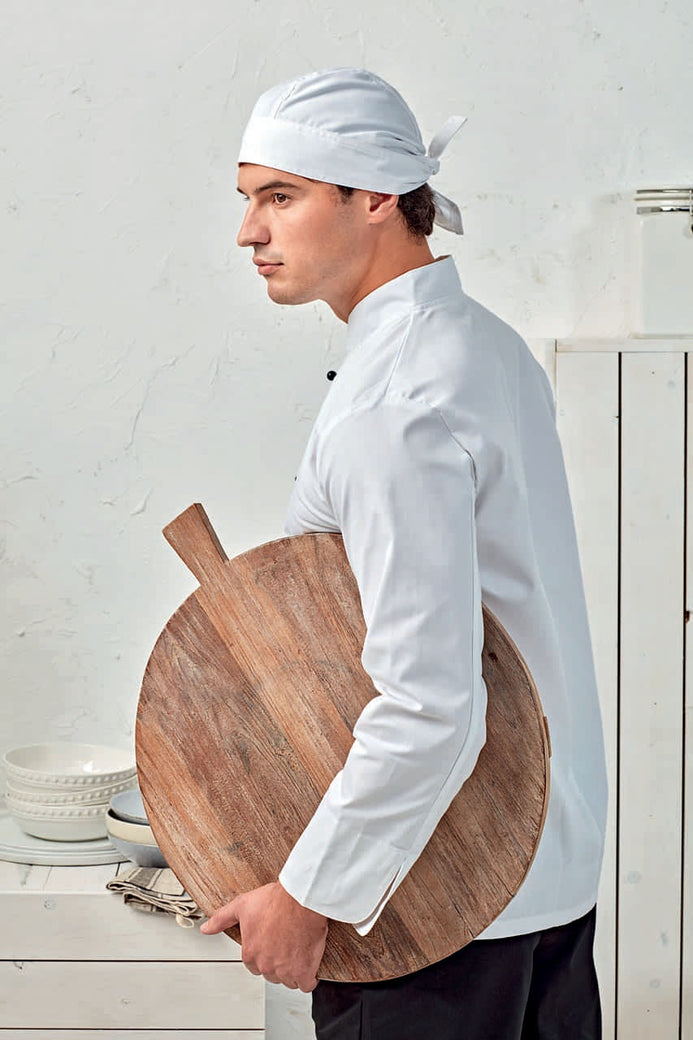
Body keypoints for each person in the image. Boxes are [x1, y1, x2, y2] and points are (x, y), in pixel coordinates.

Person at [199, 66, 608, 1039]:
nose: (249, 231)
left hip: (434, 911)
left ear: (377, 196)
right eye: (249, 199)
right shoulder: (486, 347)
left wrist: (310, 891)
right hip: (544, 880)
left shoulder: (392, 404)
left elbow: (431, 702)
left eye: (281, 196)